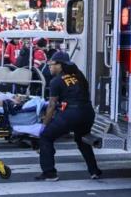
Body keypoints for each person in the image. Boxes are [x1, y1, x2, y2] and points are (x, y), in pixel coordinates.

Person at [36, 52, 102, 181]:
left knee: (46, 137)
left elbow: (51, 105)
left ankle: (50, 173)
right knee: (82, 139)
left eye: (52, 64)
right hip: (88, 112)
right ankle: (94, 171)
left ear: (60, 65)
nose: (49, 66)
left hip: (71, 113)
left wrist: (44, 125)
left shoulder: (56, 81)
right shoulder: (79, 75)